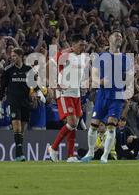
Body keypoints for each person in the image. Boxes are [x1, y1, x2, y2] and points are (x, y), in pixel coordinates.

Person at [81, 31, 131, 164]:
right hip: (102, 96)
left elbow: (129, 78)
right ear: (109, 40)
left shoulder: (125, 58)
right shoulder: (101, 56)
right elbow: (94, 77)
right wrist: (101, 82)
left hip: (117, 96)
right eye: (116, 35)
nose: (119, 37)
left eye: (121, 36)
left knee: (111, 126)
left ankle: (105, 156)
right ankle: (91, 152)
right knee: (93, 126)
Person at [49, 35, 87, 163]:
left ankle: (71, 156)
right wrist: (54, 84)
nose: (83, 47)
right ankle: (53, 148)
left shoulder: (82, 57)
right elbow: (49, 65)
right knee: (72, 123)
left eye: (84, 45)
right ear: (74, 44)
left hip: (76, 93)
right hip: (65, 93)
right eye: (81, 45)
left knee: (73, 126)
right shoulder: (65, 54)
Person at [0, 48, 33, 162]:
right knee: (17, 127)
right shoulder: (8, 70)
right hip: (13, 101)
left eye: (15, 55)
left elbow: (33, 84)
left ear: (21, 56)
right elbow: (2, 88)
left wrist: (39, 92)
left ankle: (19, 152)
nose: (13, 57)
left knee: (22, 130)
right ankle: (19, 154)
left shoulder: (28, 69)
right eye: (12, 56)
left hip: (25, 102)